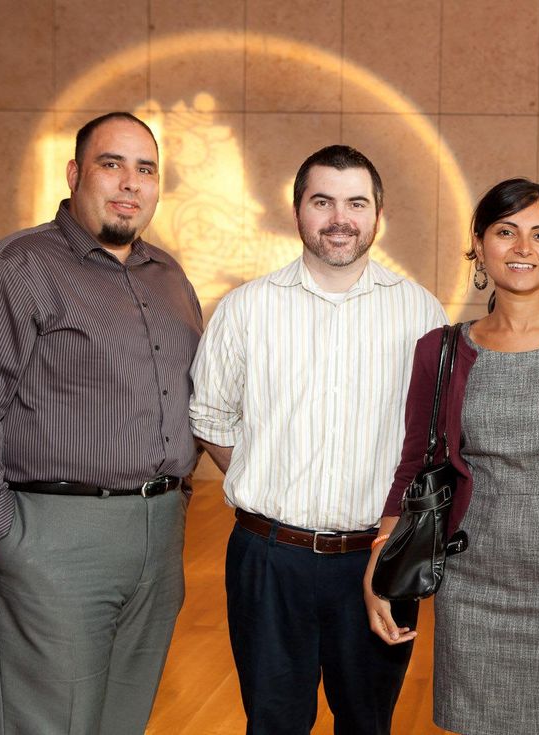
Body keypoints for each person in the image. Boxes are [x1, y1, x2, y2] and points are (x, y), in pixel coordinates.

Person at [0, 112, 203, 734]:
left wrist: (177, 500)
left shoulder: (168, 277)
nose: (129, 184)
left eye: (145, 169)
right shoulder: (14, 269)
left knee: (122, 721)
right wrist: (6, 537)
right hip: (49, 537)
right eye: (111, 164)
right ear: (75, 173)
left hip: (157, 541)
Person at [189, 144, 446, 735]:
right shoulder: (248, 309)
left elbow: (433, 440)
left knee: (367, 723)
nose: (340, 217)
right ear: (297, 209)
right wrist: (275, 481)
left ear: (378, 213)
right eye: (322, 200)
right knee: (274, 723)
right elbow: (212, 419)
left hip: (379, 560)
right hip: (269, 559)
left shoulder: (419, 313)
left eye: (356, 202)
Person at [365, 178, 539, 735]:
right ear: (480, 245)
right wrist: (378, 564)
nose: (522, 248)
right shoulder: (439, 351)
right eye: (505, 232)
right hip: (471, 592)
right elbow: (414, 467)